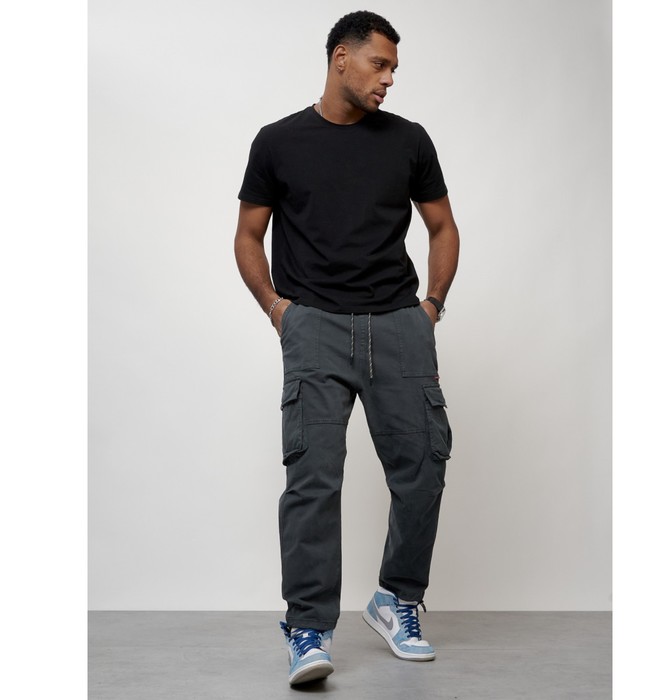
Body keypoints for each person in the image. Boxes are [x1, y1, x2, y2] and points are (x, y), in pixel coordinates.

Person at [234, 10, 460, 686]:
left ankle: (397, 599)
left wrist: (430, 308)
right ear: (341, 58)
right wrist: (278, 309)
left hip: (398, 324)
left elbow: (443, 226)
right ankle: (308, 627)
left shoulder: (409, 140)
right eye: (379, 64)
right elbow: (247, 235)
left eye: (393, 68)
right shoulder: (278, 141)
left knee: (422, 467)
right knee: (313, 478)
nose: (388, 78)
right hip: (315, 327)